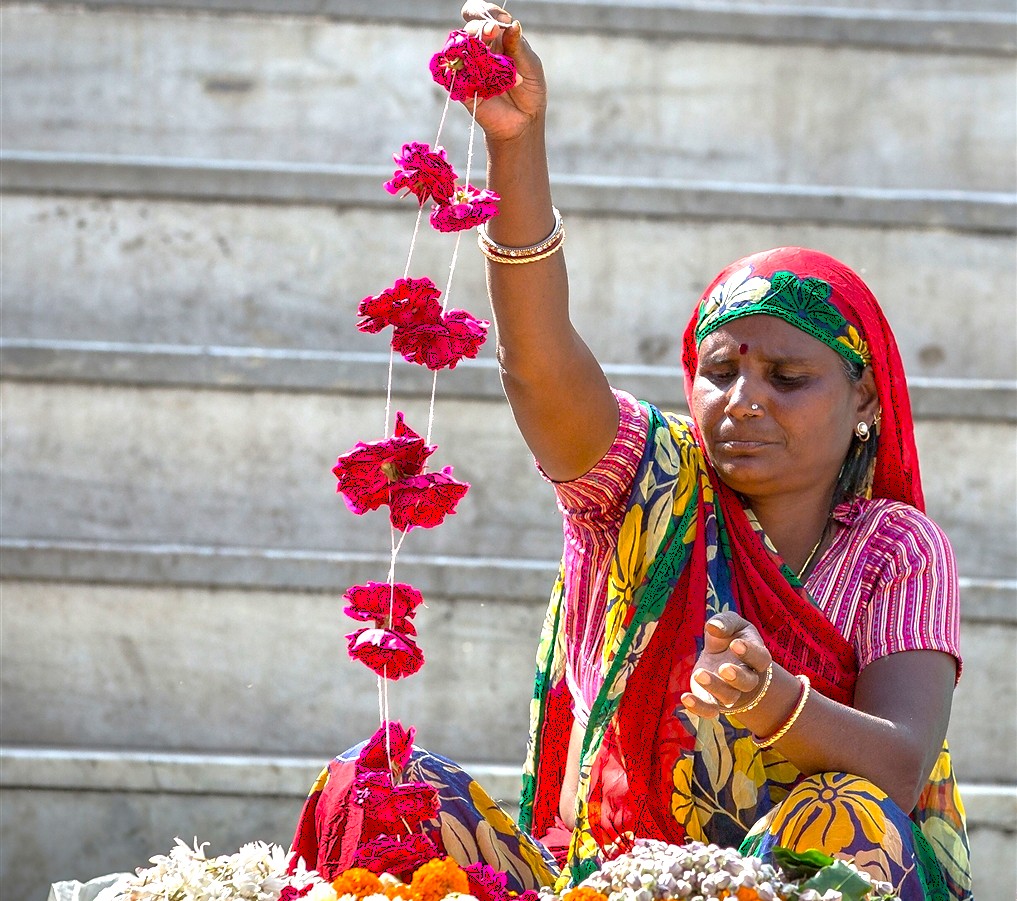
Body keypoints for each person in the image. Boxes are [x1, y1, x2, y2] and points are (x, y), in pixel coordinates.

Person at [291, 5, 972, 899]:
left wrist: (774, 705)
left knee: (845, 811)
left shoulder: (894, 547)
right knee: (378, 787)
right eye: (720, 370)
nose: (745, 399)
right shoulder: (646, 482)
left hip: (788, 880)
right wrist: (516, 146)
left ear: (863, 405)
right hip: (610, 881)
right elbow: (539, 369)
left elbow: (898, 761)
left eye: (788, 376)